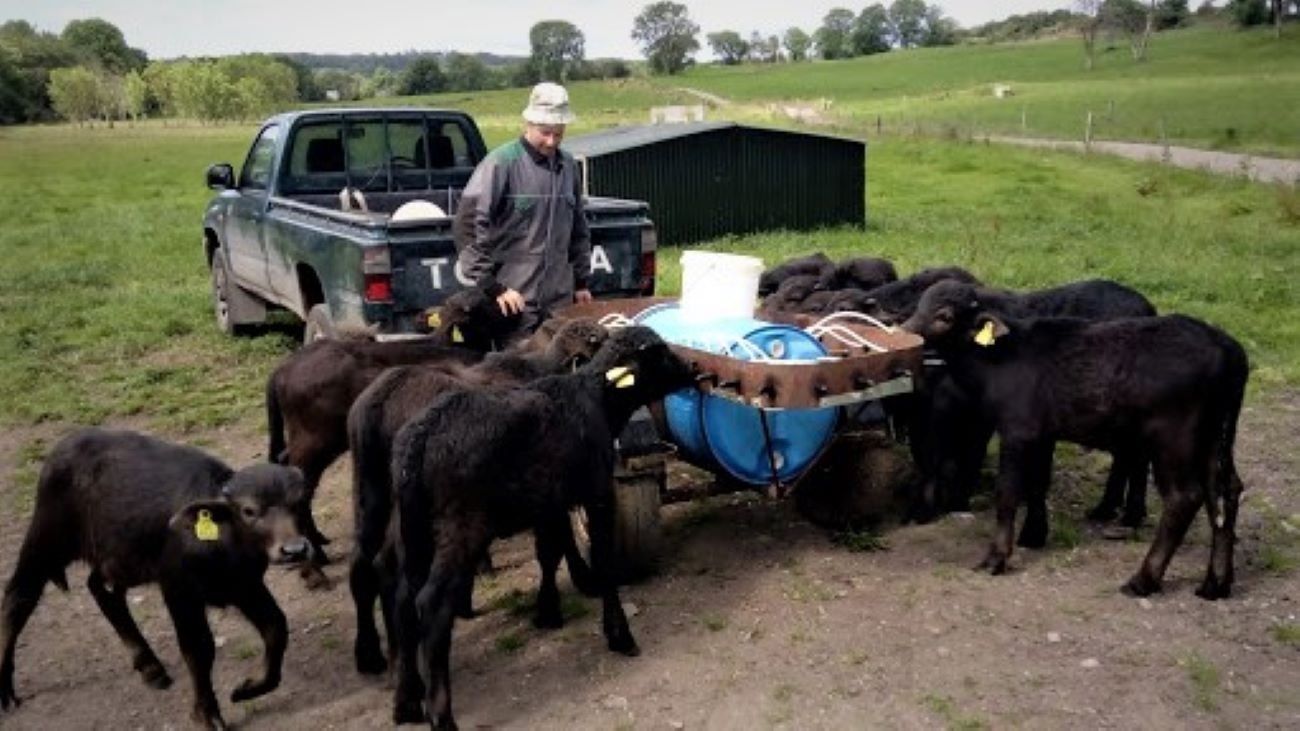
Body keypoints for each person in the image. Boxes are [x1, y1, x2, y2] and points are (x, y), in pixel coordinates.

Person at [454, 82, 593, 344]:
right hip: (514, 304)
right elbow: (469, 224)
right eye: (545, 132)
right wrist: (493, 287)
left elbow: (578, 228)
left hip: (559, 305)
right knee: (516, 377)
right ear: (527, 123)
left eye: (558, 134)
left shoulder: (568, 166)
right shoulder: (501, 163)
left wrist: (581, 282)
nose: (551, 141)